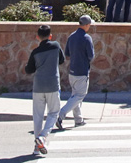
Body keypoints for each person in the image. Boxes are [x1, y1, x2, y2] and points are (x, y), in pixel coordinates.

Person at [25, 24, 65, 156]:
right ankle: (43, 137)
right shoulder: (56, 46)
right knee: (54, 112)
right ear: (50, 35)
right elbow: (62, 60)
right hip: (53, 84)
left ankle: (37, 147)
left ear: (37, 37)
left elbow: (29, 70)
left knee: (38, 116)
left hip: (38, 86)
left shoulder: (35, 52)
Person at [56, 15, 94, 130]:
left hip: (72, 70)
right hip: (82, 71)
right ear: (86, 25)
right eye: (89, 25)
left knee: (75, 95)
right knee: (79, 95)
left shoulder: (71, 36)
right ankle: (61, 115)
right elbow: (91, 56)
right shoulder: (87, 38)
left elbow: (67, 53)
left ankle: (78, 119)